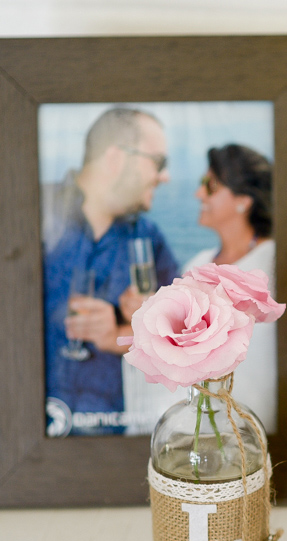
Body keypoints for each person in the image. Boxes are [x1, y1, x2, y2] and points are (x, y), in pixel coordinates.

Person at [122, 144, 277, 434]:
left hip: (242, 426)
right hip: (192, 424)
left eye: (211, 186)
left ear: (244, 200)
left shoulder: (272, 262)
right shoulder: (198, 263)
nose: (199, 194)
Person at [43, 107, 179, 436]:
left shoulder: (149, 238)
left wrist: (123, 329)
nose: (165, 177)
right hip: (29, 438)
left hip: (111, 437)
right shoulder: (34, 212)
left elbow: (177, 348)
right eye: (159, 162)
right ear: (117, 157)